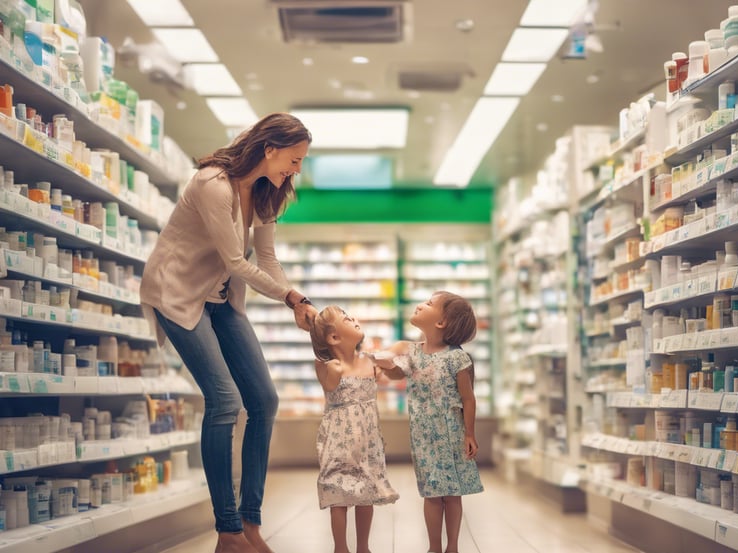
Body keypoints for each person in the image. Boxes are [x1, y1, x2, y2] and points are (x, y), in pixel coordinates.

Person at [140, 113, 317, 553]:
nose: (295, 171)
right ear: (269, 148)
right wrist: (293, 299)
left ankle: (250, 522)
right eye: (293, 161)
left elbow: (267, 259)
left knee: (264, 401)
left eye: (301, 163)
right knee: (224, 401)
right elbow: (237, 261)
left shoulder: (267, 192)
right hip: (178, 294)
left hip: (220, 299)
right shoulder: (212, 183)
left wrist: (295, 297)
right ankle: (227, 530)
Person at [375, 291, 483, 553]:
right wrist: (382, 361)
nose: (421, 304)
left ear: (441, 323)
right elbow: (395, 371)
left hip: (452, 434)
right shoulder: (412, 353)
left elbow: (468, 399)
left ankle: (453, 546)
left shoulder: (456, 358)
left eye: (430, 303)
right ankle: (435, 547)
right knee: (432, 492)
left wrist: (469, 434)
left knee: (452, 492)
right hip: (423, 436)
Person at [309, 305, 399, 553]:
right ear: (334, 338)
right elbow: (328, 383)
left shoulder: (370, 362)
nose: (354, 318)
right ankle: (340, 547)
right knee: (338, 491)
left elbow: (394, 363)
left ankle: (363, 547)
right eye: (346, 319)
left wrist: (387, 360)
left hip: (367, 440)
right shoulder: (329, 366)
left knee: (366, 491)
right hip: (338, 440)